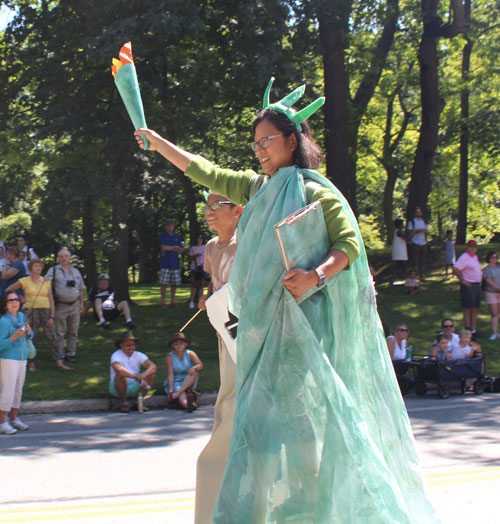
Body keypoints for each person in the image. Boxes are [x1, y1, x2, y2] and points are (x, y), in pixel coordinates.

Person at [135, 78, 437, 522]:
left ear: (292, 142)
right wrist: (158, 143)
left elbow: (349, 244)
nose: (259, 150)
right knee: (257, 429)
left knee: (310, 426)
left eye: (267, 141)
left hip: (309, 334)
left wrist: (316, 274)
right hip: (260, 333)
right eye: (255, 143)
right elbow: (205, 171)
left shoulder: (317, 191)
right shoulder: (257, 190)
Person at [195, 192, 242, 524]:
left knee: (239, 388)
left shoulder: (248, 244)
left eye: (217, 206)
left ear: (237, 211)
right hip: (221, 328)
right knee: (227, 385)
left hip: (244, 329)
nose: (209, 212)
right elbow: (212, 284)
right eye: (207, 207)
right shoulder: (211, 248)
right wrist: (207, 299)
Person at [5, 259, 68, 372]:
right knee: (30, 336)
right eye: (35, 266)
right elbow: (9, 290)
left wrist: (52, 316)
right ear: (30, 268)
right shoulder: (24, 280)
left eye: (39, 266)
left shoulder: (46, 281)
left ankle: (59, 361)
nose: (38, 268)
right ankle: (31, 362)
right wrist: (20, 299)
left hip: (46, 310)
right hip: (31, 311)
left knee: (52, 335)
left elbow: (51, 299)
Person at [45, 249, 85, 363]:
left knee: (73, 331)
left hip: (75, 305)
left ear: (70, 258)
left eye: (66, 256)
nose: (64, 258)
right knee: (59, 332)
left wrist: (81, 303)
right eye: (61, 256)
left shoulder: (76, 271)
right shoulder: (53, 270)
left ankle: (71, 353)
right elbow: (45, 283)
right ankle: (60, 354)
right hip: (60, 306)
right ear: (58, 258)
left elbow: (81, 288)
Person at [0, 292, 32, 434]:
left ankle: (14, 419)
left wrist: (30, 332)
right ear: (5, 304)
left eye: (16, 300)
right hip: (8, 359)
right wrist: (14, 337)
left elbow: (28, 337)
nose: (14, 302)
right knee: (8, 390)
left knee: (18, 389)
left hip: (22, 358)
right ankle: (2, 422)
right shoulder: (3, 321)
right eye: (10, 300)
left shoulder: (21, 317)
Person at [109, 331, 157, 413]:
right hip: (118, 387)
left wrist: (143, 376)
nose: (131, 347)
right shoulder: (116, 355)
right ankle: (123, 403)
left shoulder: (139, 355)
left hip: (135, 385)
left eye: (133, 345)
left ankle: (140, 402)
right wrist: (135, 376)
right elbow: (118, 369)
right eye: (128, 345)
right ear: (121, 345)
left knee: (151, 375)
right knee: (120, 376)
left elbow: (153, 366)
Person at [164, 332, 203, 412]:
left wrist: (194, 367)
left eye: (181, 343)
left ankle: (178, 395)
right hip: (176, 381)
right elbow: (170, 375)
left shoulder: (190, 353)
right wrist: (171, 391)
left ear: (185, 344)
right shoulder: (170, 357)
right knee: (181, 393)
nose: (179, 346)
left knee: (194, 372)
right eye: (176, 344)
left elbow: (200, 365)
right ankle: (188, 405)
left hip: (188, 379)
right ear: (173, 345)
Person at [453, 240, 482, 337]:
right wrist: (462, 280)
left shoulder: (475, 257)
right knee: (468, 308)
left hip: (477, 285)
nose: (473, 248)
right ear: (467, 247)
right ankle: (467, 330)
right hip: (469, 286)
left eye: (474, 246)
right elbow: (456, 268)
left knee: (475, 308)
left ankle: (473, 330)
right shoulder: (464, 257)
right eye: (471, 246)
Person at [159, 220, 184, 309]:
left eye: (171, 225)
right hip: (165, 263)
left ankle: (173, 302)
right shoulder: (163, 237)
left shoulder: (177, 237)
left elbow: (181, 249)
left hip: (175, 264)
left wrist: (172, 248)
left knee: (174, 284)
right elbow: (164, 248)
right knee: (164, 283)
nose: (170, 227)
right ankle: (163, 302)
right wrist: (174, 247)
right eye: (168, 225)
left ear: (173, 226)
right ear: (166, 227)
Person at [406, 206, 428, 280]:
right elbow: (409, 234)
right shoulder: (412, 222)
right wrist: (417, 231)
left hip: (423, 242)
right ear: (415, 213)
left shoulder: (424, 221)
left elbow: (426, 232)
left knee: (423, 260)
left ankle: (422, 275)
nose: (419, 213)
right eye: (417, 212)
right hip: (415, 242)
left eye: (420, 212)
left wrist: (426, 233)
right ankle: (413, 276)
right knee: (414, 260)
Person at [483, 250, 500, 340]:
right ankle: (493, 332)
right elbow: (488, 281)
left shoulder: (499, 268)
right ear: (489, 258)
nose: (495, 259)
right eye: (493, 257)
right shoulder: (487, 269)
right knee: (494, 313)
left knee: (498, 313)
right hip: (491, 293)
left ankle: (497, 331)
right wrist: (498, 288)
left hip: (499, 294)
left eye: (496, 257)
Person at [188, 234, 208, 308]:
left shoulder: (206, 247)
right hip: (195, 268)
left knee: (201, 285)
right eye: (198, 238)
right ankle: (191, 301)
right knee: (194, 285)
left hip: (204, 268)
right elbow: (190, 258)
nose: (200, 239)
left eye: (201, 238)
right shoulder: (193, 248)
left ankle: (200, 302)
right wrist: (196, 255)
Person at [390, 218, 408, 284]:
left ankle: (392, 280)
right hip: (399, 251)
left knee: (397, 266)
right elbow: (405, 238)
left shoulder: (397, 231)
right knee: (400, 266)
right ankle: (408, 280)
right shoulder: (398, 232)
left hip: (400, 250)